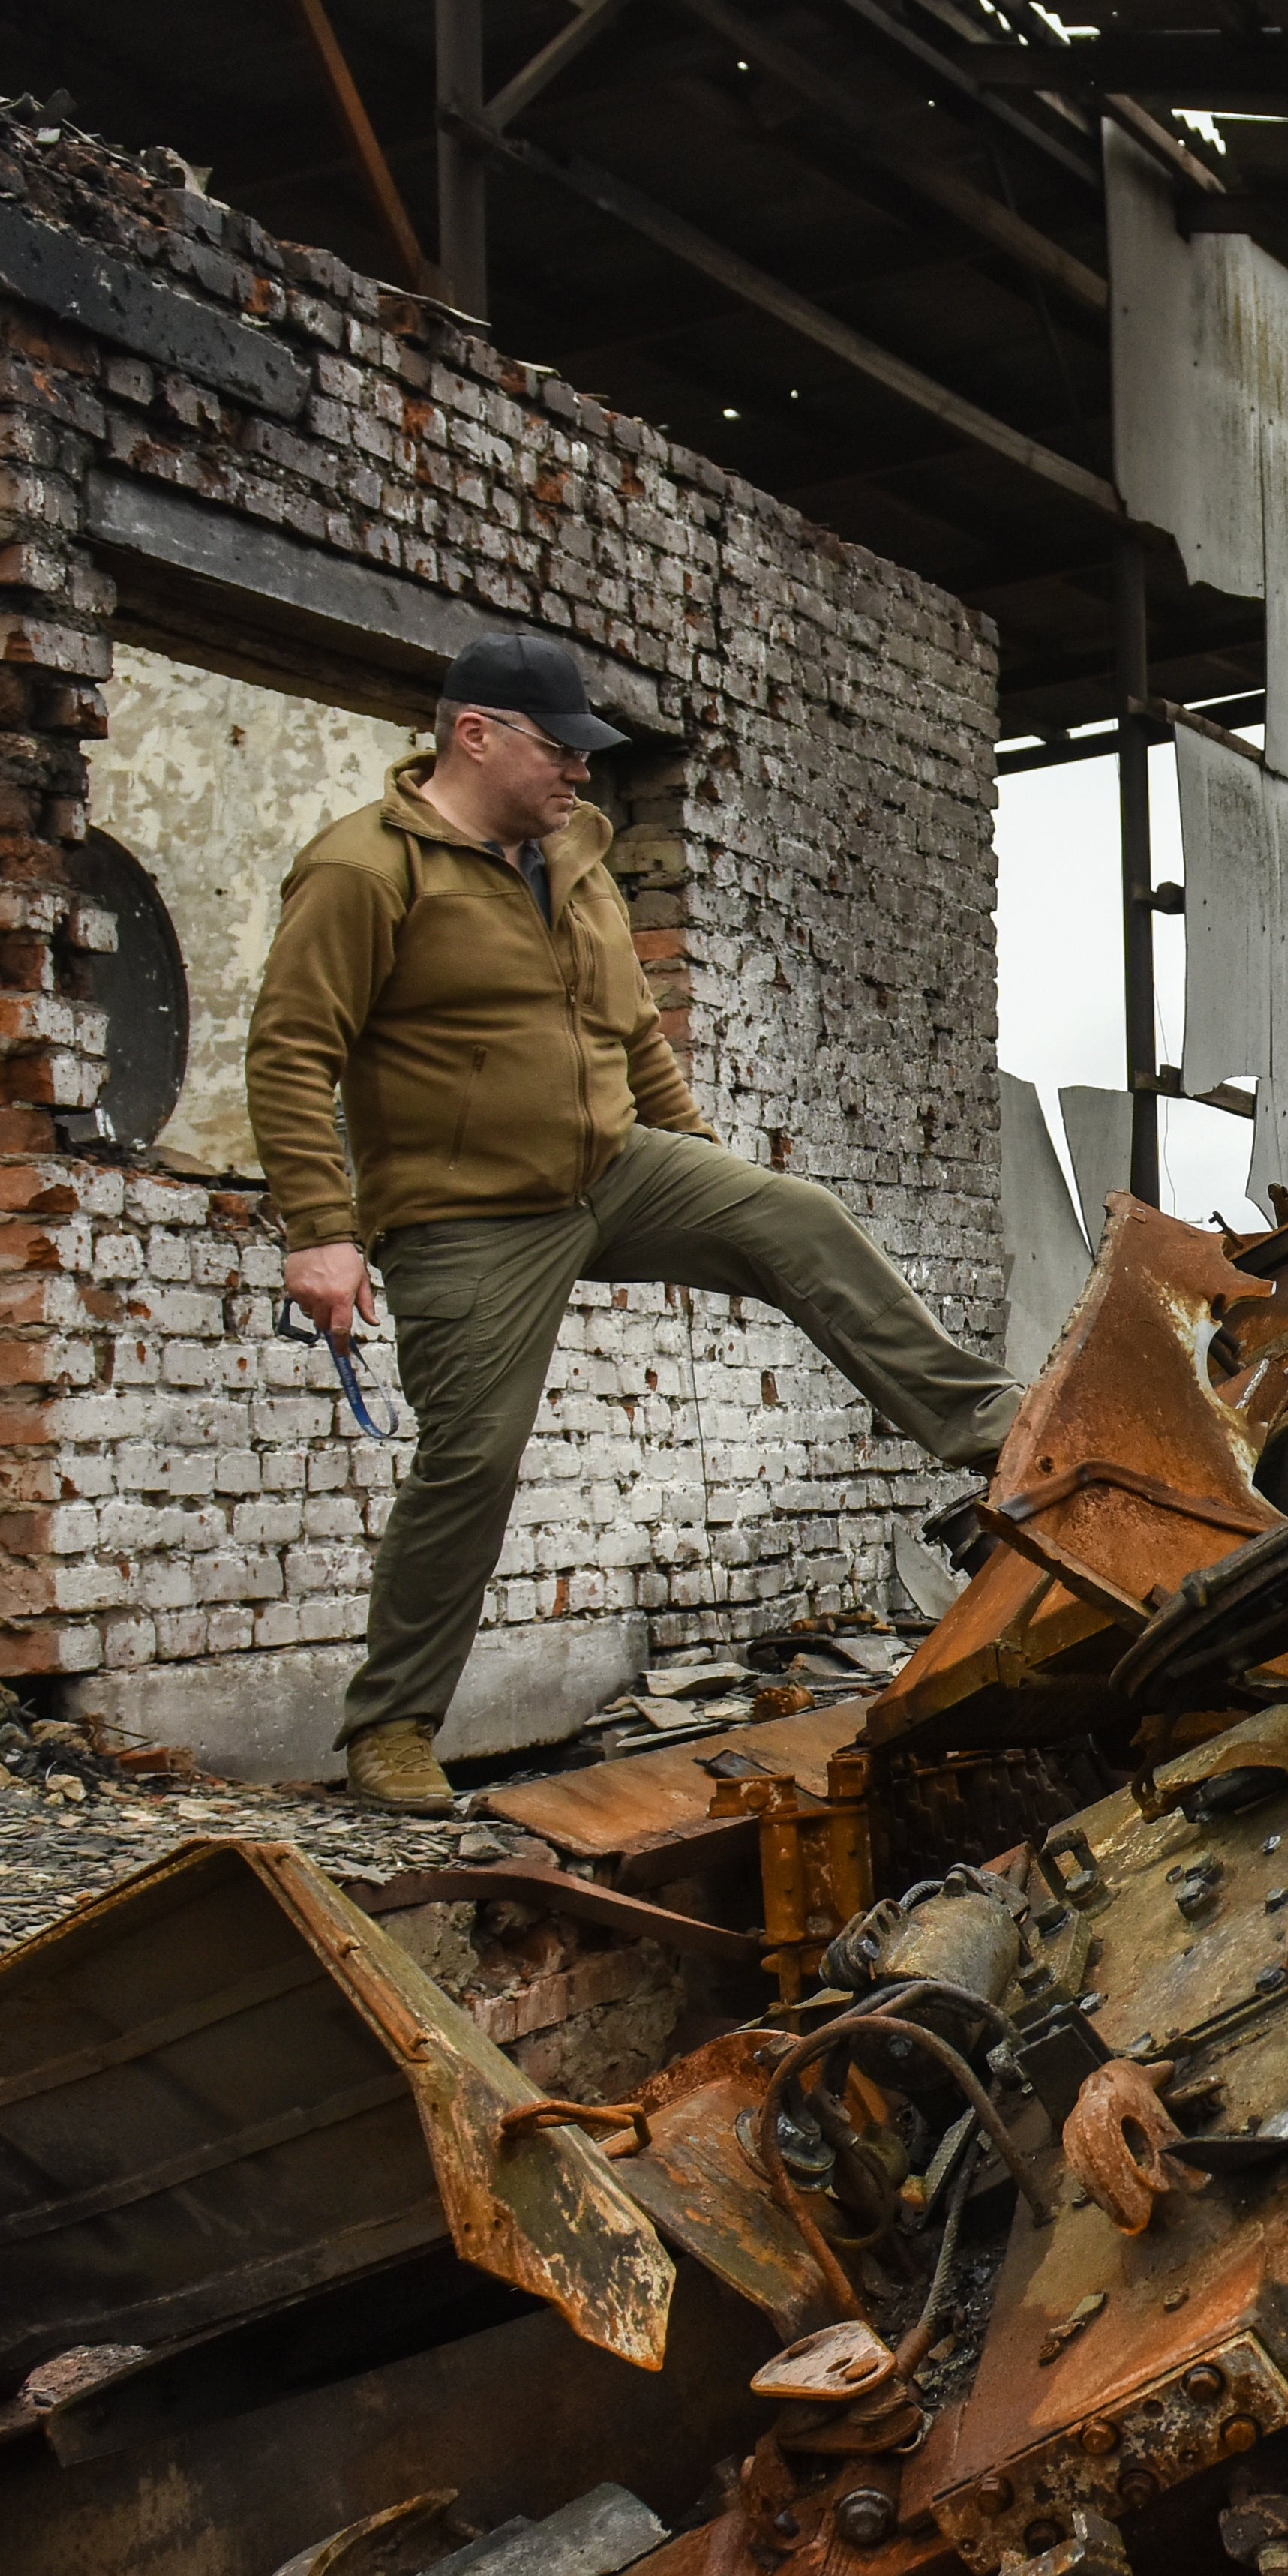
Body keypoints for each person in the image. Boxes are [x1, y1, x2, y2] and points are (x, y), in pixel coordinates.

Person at [248, 630, 1016, 1812]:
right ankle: (393, 1726)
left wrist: (697, 1164)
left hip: (613, 1163)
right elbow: (293, 1051)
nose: (581, 775)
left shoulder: (574, 857)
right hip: (466, 1215)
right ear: (476, 734)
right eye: (561, 752)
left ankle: (996, 1435)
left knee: (791, 1215)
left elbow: (634, 1029)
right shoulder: (363, 871)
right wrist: (319, 1228)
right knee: (472, 1459)